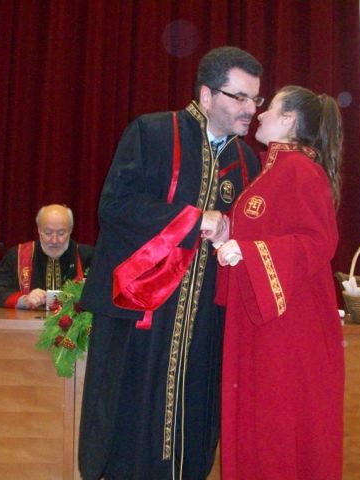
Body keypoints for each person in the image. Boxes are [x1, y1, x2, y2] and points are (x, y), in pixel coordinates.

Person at [78, 46, 263, 480]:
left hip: (206, 326)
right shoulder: (153, 132)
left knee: (193, 429)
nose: (251, 109)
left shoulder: (247, 161)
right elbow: (115, 207)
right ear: (206, 94)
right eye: (239, 97)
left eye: (256, 99)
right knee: (129, 425)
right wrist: (195, 221)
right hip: (140, 314)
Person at [213, 86, 345, 479]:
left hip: (288, 328)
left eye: (269, 107)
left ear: (288, 120)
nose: (260, 113)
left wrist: (248, 252)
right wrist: (227, 236)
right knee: (260, 423)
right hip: (263, 322)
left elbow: (318, 241)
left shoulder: (302, 171)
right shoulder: (270, 172)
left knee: (277, 424)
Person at [0, 204, 94, 309]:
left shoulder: (87, 256)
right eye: (48, 233)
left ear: (70, 230)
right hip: (25, 322)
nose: (54, 240)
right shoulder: (17, 256)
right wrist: (24, 300)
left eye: (61, 233)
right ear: (39, 230)